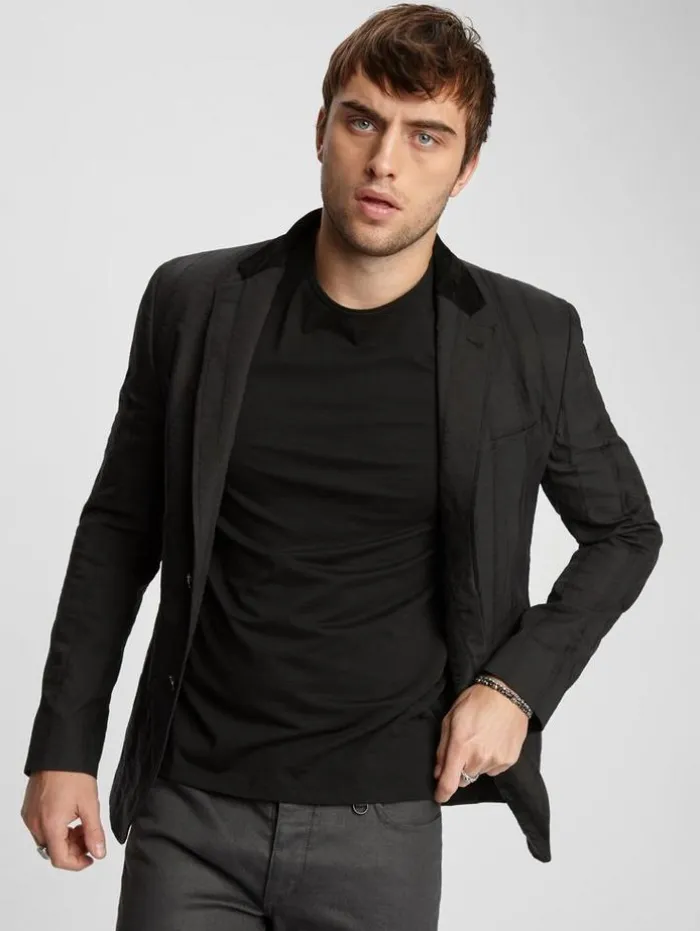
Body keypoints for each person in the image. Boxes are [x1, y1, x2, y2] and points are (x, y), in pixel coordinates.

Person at [20, 4, 662, 929]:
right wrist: (64, 744)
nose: (384, 161)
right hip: (190, 810)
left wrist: (515, 687)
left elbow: (625, 531)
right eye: (363, 120)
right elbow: (120, 530)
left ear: (467, 167)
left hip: (382, 826)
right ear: (321, 127)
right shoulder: (194, 303)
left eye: (426, 135)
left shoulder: (527, 338)